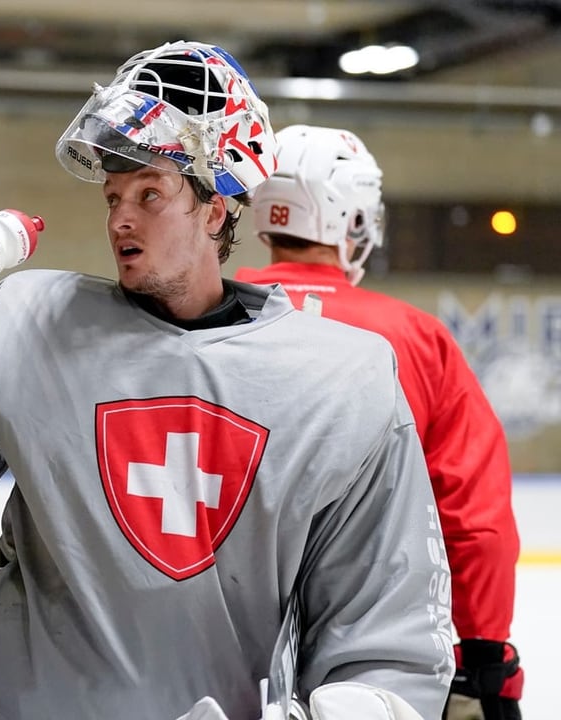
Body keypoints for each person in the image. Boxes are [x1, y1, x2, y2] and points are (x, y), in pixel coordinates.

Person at [0, 41, 453, 720]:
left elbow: (387, 632)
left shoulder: (340, 378)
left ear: (217, 209)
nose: (120, 216)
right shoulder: (29, 323)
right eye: (115, 194)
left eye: (151, 193)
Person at [235, 123, 523, 720]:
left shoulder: (200, 313)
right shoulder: (417, 340)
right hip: (375, 655)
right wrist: (483, 659)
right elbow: (476, 521)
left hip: (208, 641)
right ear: (353, 218)